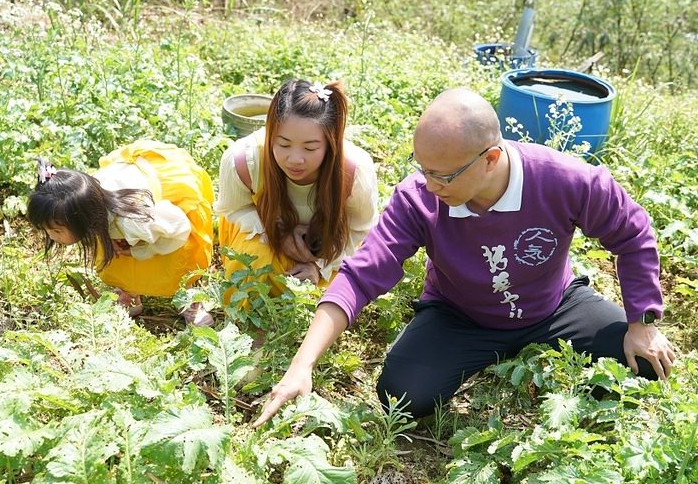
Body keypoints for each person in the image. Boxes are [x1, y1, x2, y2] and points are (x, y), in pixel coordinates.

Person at [255, 87, 676, 425]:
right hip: (458, 314)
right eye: (422, 168)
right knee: (401, 398)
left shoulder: (565, 180)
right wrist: (302, 364)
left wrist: (642, 323)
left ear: (490, 159)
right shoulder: (420, 198)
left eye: (442, 174)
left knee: (643, 368)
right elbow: (362, 276)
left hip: (554, 306)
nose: (429, 183)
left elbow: (633, 234)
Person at [215, 79, 378, 296]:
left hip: (328, 242)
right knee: (254, 260)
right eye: (283, 144)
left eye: (310, 148)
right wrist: (278, 233)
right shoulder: (244, 160)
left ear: (331, 142)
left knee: (327, 294)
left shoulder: (353, 171)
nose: (295, 159)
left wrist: (320, 267)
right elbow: (233, 209)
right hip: (261, 229)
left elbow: (360, 230)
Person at [28, 140, 215, 325]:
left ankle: (188, 297)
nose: (51, 236)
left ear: (82, 218)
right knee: (117, 257)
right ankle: (130, 292)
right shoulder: (84, 200)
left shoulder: (134, 220)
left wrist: (141, 250)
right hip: (125, 199)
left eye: (56, 230)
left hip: (171, 223)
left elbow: (179, 230)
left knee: (176, 262)